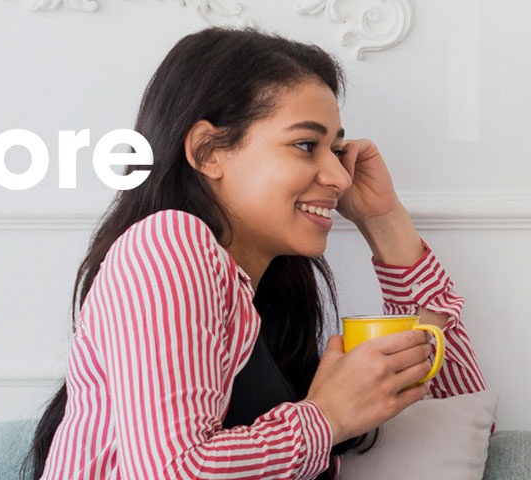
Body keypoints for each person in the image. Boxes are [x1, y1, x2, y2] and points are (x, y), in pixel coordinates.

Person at [26, 27, 485, 479]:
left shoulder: (269, 306)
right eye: (306, 145)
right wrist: (326, 417)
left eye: (336, 150)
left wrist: (383, 220)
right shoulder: (167, 242)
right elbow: (170, 471)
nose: (340, 177)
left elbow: (458, 420)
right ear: (208, 151)